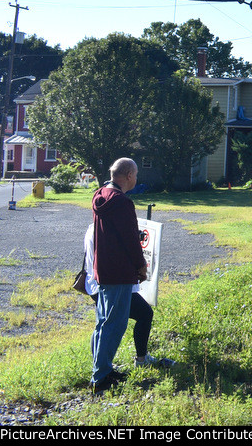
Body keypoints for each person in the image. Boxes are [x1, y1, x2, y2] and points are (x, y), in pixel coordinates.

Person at [90, 158, 148, 394]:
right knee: (114, 324)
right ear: (127, 175)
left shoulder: (100, 194)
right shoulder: (123, 203)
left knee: (103, 322)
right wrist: (141, 265)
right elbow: (130, 241)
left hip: (103, 269)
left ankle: (101, 368)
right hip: (120, 271)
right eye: (135, 174)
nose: (136, 178)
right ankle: (101, 377)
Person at [83, 224, 172, 374]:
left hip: (95, 284)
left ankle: (99, 365)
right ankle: (138, 361)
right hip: (113, 285)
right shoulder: (110, 231)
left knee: (103, 323)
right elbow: (119, 256)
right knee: (142, 315)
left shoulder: (94, 227)